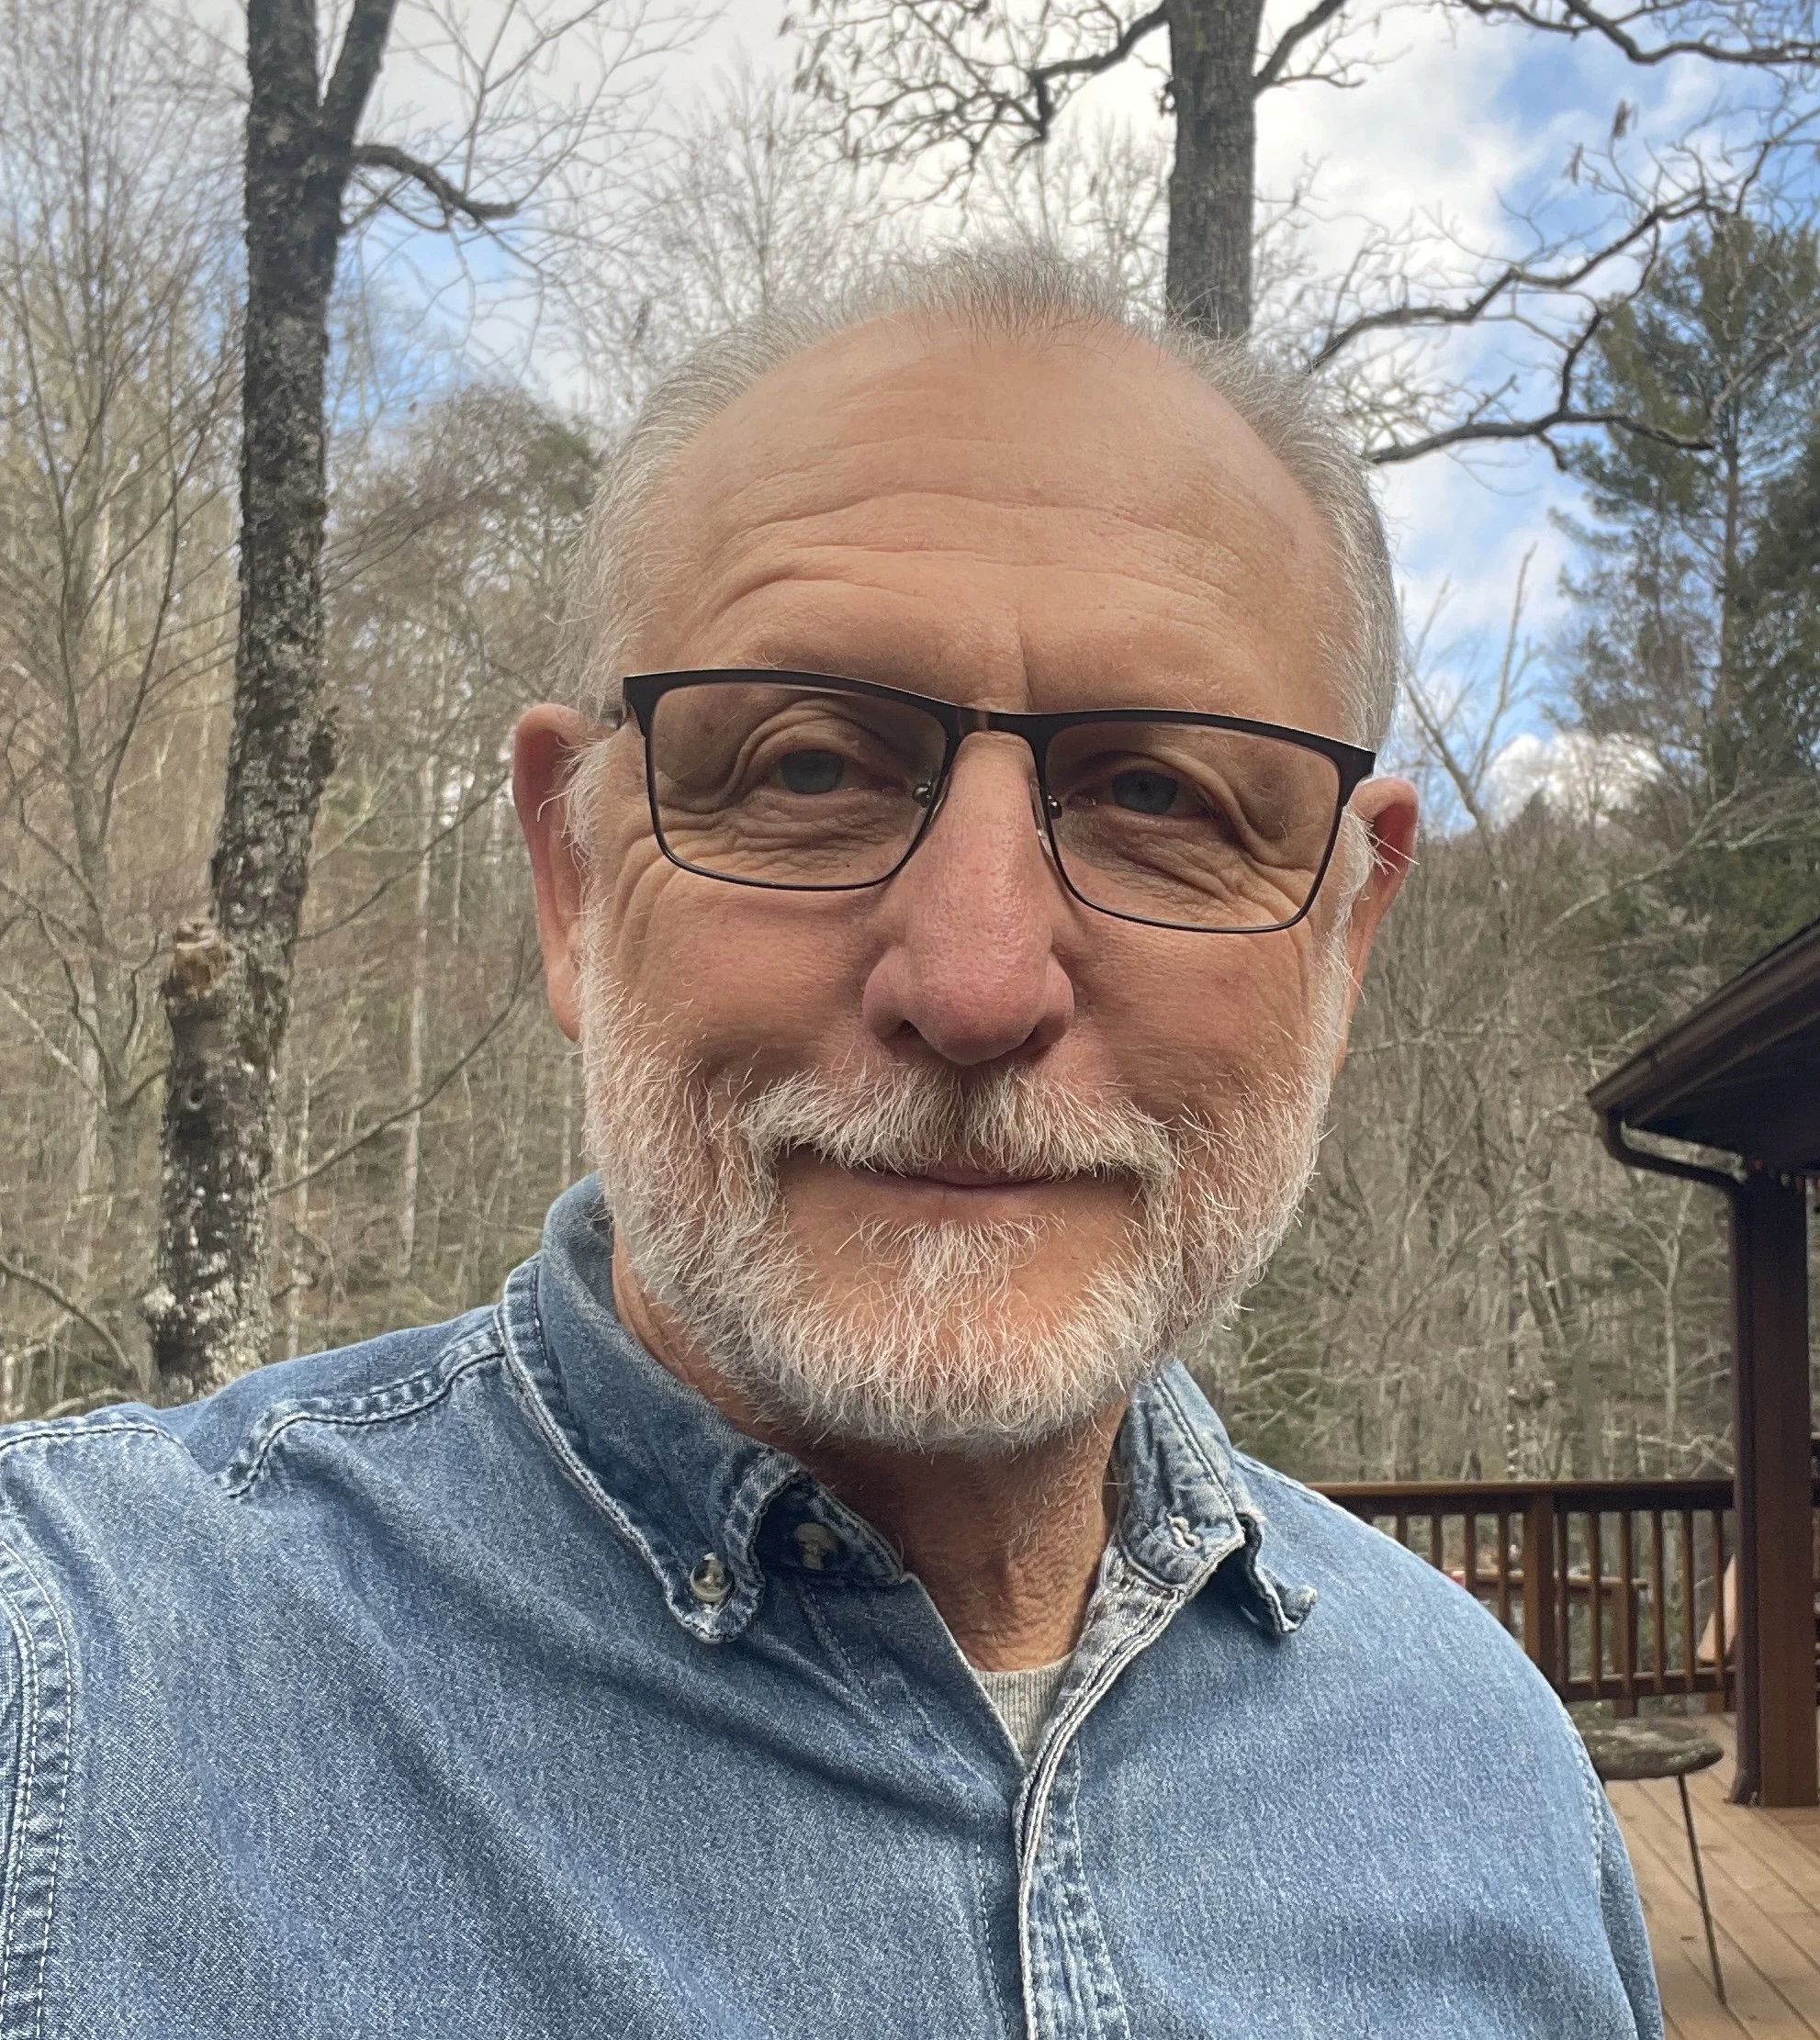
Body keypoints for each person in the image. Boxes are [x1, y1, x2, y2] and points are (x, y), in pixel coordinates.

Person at [0, 246, 1661, 2039]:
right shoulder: (70, 1702)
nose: (972, 982)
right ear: (572, 882)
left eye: (1159, 794)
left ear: (1343, 937)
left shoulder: (1481, 1759)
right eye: (807, 766)